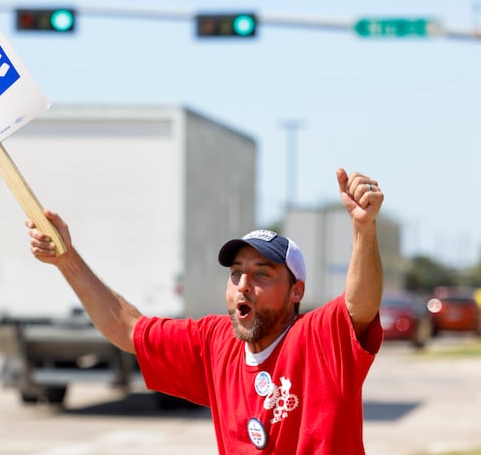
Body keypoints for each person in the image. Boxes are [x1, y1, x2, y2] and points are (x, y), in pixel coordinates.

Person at [26, 167, 384, 454]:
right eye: (236, 273)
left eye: (262, 273)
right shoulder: (215, 342)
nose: (243, 283)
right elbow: (127, 328)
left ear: (297, 291)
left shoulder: (320, 338)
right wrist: (67, 260)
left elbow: (359, 303)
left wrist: (363, 229)